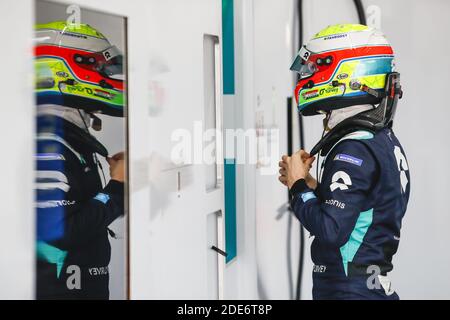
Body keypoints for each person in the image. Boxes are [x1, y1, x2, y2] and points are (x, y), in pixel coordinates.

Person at [279, 24, 410, 300]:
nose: (306, 77)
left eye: (314, 68)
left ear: (344, 72)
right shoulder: (380, 139)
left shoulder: (354, 147)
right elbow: (361, 207)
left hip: (348, 291)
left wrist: (298, 187)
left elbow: (331, 230)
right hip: (368, 287)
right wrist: (310, 184)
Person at [35, 22, 126, 299]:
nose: (112, 77)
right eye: (103, 68)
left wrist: (118, 185)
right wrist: (118, 185)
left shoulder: (67, 135)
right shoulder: (45, 142)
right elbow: (61, 232)